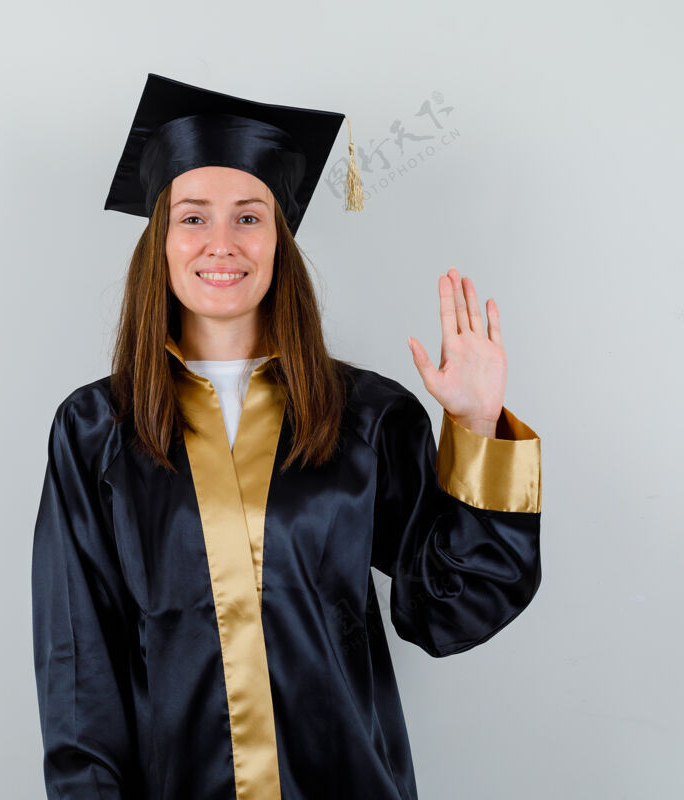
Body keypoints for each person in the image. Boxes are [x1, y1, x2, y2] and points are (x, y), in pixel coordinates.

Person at [30, 73, 542, 800]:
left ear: (280, 239)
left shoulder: (366, 416)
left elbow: (449, 611)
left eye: (248, 217)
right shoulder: (94, 431)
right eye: (193, 217)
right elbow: (80, 669)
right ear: (161, 238)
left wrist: (476, 425)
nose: (221, 244)